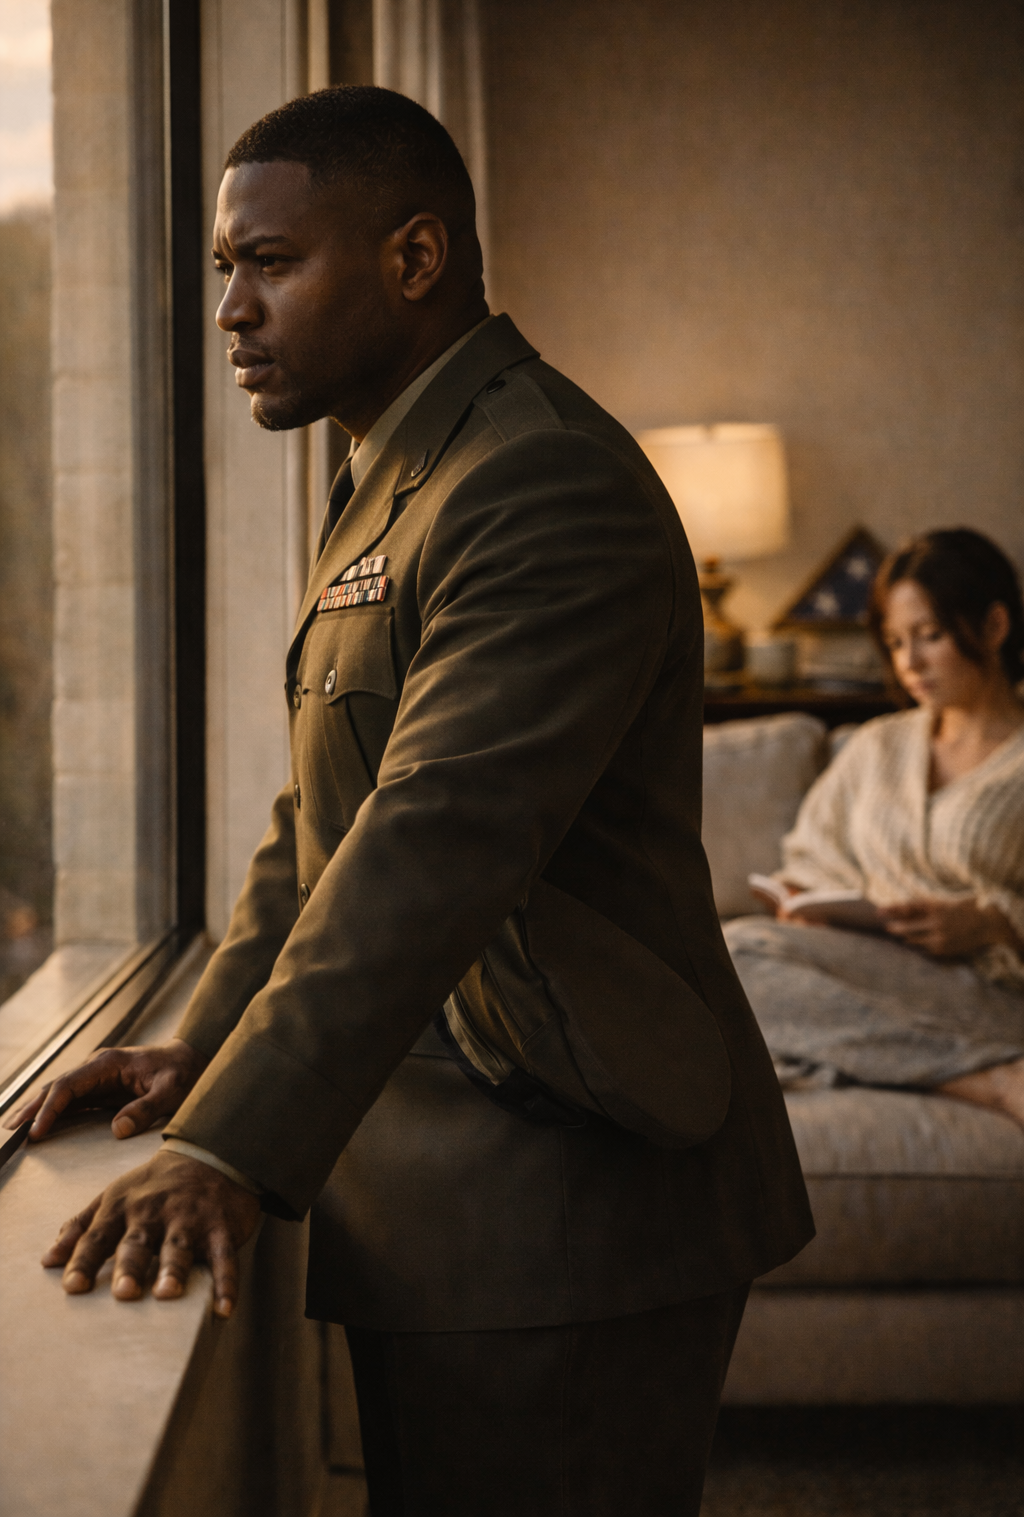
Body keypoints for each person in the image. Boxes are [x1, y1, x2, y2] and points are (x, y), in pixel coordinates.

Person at [6, 87, 812, 1516]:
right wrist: (203, 1045)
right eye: (219, 271)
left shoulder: (535, 478)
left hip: (573, 1189)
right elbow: (318, 824)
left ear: (416, 259)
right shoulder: (399, 471)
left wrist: (227, 1146)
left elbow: (424, 850)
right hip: (458, 1191)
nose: (230, 311)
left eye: (270, 263)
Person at [725, 528, 1024, 1127]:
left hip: (986, 989)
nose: (909, 663)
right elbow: (811, 858)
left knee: (736, 968)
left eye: (930, 637)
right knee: (728, 954)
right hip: (868, 969)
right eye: (895, 642)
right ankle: (985, 1080)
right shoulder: (876, 745)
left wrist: (989, 921)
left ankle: (847, 1054)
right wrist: (809, 903)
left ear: (994, 626)